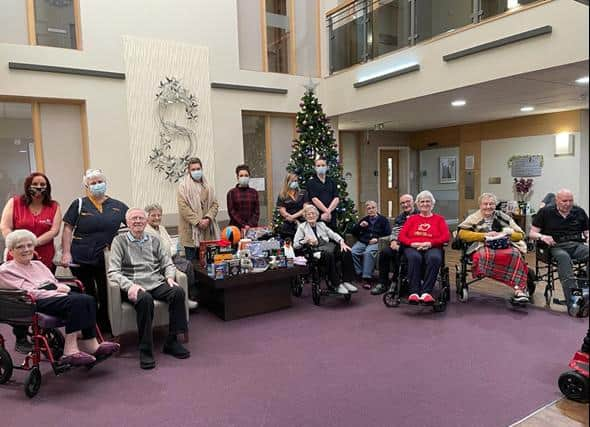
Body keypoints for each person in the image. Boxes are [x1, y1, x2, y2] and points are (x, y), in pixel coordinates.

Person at [0, 230, 119, 365]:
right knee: (78, 301)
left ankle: (92, 345)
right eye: (20, 247)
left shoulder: (38, 264)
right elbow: (30, 292)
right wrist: (57, 291)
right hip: (31, 302)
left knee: (88, 299)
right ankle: (70, 351)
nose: (26, 249)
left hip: (50, 295)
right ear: (11, 251)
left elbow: (52, 282)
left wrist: (59, 288)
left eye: (29, 245)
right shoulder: (6, 271)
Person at [108, 208, 190, 369]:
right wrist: (130, 285)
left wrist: (169, 278)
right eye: (133, 219)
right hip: (133, 285)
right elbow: (113, 272)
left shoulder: (154, 240)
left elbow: (168, 263)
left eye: (140, 218)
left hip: (156, 282)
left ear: (146, 222)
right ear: (127, 223)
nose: (137, 221)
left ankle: (172, 342)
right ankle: (145, 349)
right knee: (145, 300)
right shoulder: (119, 241)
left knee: (178, 292)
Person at [61, 169, 128, 334]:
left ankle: (106, 326)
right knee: (88, 293)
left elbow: (133, 224)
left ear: (105, 183)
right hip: (81, 257)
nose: (97, 185)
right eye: (93, 183)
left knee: (107, 292)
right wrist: (66, 253)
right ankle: (88, 328)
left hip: (106, 258)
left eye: (100, 182)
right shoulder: (79, 204)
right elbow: (68, 228)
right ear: (87, 186)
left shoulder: (118, 206)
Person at [1, 172, 61, 353]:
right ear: (28, 185)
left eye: (43, 184)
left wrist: (34, 243)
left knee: (45, 291)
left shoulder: (53, 206)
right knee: (21, 297)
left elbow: (54, 230)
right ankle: (20, 337)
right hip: (18, 255)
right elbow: (4, 226)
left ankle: (44, 331)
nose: (39, 187)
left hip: (44, 256)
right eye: (35, 184)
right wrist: (18, 243)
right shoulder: (15, 202)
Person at [457, 192, 530, 302]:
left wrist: (507, 234)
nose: (488, 207)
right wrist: (484, 235)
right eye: (485, 204)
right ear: (480, 205)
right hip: (482, 245)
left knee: (515, 254)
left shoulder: (503, 216)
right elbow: (461, 234)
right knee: (484, 255)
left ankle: (519, 290)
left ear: (495, 205)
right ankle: (503, 276)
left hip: (503, 244)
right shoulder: (474, 218)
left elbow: (520, 234)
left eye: (491, 204)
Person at [530, 188, 589, 311]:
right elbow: (532, 233)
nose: (568, 204)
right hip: (556, 246)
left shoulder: (579, 211)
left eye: (570, 201)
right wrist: (543, 236)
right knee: (564, 258)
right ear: (556, 200)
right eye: (564, 201)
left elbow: (587, 232)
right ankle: (574, 301)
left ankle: (586, 292)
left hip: (576, 245)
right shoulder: (545, 212)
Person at [398, 190, 450, 304]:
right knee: (414, 258)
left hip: (432, 247)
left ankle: (426, 292)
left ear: (432, 204)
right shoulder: (412, 219)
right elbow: (401, 236)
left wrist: (430, 243)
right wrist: (412, 244)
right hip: (413, 247)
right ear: (417, 204)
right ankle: (414, 293)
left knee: (434, 258)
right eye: (422, 202)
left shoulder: (439, 219)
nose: (425, 204)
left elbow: (446, 237)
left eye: (428, 201)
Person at [293, 205, 357, 295]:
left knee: (346, 251)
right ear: (305, 216)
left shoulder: (321, 225)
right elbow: (295, 245)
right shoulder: (302, 227)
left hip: (327, 248)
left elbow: (333, 234)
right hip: (313, 251)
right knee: (328, 255)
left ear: (316, 215)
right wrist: (305, 241)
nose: (311, 216)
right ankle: (336, 284)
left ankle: (347, 281)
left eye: (313, 214)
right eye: (308, 214)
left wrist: (341, 242)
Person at [144, 203, 198, 310]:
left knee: (189, 265)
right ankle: (185, 299)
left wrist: (172, 251)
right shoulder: (145, 231)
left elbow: (170, 243)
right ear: (147, 216)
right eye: (153, 215)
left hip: (172, 255)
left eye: (159, 215)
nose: (157, 218)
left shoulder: (162, 228)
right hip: (161, 261)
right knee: (185, 266)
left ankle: (191, 295)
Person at [372, 194, 418, 296]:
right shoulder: (400, 217)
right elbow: (395, 232)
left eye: (408, 201)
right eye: (402, 203)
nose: (405, 205)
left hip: (412, 246)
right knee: (384, 253)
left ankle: (396, 282)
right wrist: (393, 241)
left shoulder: (419, 215)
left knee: (400, 255)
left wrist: (402, 246)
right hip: (398, 243)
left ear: (413, 202)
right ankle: (382, 283)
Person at [177, 157, 220, 263]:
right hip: (191, 233)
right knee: (193, 266)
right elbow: (183, 208)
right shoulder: (183, 187)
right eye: (193, 169)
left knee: (208, 263)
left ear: (202, 168)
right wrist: (198, 222)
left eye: (198, 168)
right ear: (189, 171)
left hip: (207, 232)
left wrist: (208, 218)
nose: (196, 171)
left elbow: (215, 204)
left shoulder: (208, 186)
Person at [350, 201, 391, 290]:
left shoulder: (383, 220)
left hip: (376, 242)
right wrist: (360, 226)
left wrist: (377, 239)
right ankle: (359, 273)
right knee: (353, 251)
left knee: (368, 252)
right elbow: (353, 232)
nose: (371, 210)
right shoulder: (364, 219)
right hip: (363, 241)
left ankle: (366, 278)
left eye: (373, 208)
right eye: (369, 208)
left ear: (377, 208)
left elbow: (388, 233)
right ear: (366, 210)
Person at [306, 158, 339, 230]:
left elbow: (336, 198)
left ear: (327, 167)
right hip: (318, 216)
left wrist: (328, 211)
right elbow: (314, 199)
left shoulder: (332, 181)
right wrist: (326, 212)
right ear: (315, 168)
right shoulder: (311, 183)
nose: (321, 167)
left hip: (331, 215)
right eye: (318, 166)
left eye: (323, 165)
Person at [227, 164, 259, 232]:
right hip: (236, 229)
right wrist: (244, 225)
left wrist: (250, 225)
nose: (244, 177)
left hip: (251, 229)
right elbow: (232, 212)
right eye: (241, 175)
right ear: (237, 177)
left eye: (246, 175)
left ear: (249, 177)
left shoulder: (254, 192)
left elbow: (256, 212)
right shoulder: (231, 193)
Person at [276, 173, 308, 240]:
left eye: (296, 181)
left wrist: (293, 217)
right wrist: (290, 217)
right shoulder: (282, 195)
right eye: (293, 181)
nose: (295, 183)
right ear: (287, 182)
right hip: (288, 225)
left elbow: (305, 208)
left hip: (302, 223)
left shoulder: (303, 192)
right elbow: (282, 210)